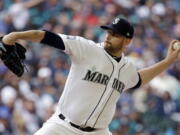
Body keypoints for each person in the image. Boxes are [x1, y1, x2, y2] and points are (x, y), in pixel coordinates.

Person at [2, 15, 180, 135]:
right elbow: (47, 36)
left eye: (115, 34)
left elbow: (140, 79)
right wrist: (13, 36)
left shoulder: (127, 68)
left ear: (127, 40)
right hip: (62, 127)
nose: (109, 36)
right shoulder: (87, 48)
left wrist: (168, 61)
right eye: (108, 32)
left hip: (99, 132)